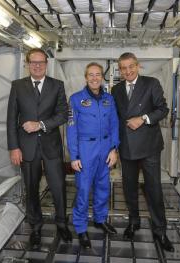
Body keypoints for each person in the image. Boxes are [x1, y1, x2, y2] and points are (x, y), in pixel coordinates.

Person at [7, 48, 72, 249]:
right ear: (27, 64)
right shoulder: (17, 86)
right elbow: (11, 119)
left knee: (58, 186)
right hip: (26, 147)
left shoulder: (57, 85)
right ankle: (35, 226)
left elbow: (63, 114)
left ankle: (62, 223)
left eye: (41, 62)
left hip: (51, 146)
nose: (37, 65)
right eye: (33, 62)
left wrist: (41, 124)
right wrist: (14, 147)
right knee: (31, 187)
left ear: (46, 64)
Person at [111, 52, 174, 252]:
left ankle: (160, 230)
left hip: (149, 146)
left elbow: (163, 109)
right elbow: (116, 117)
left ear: (138, 66)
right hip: (126, 146)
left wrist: (143, 118)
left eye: (131, 66)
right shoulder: (116, 89)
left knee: (153, 189)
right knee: (129, 187)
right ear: (119, 70)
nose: (128, 71)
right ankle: (134, 221)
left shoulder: (151, 83)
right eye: (123, 68)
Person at [66, 62, 120, 248]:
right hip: (85, 150)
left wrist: (114, 149)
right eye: (91, 75)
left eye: (98, 74)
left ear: (102, 77)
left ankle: (100, 219)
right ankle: (81, 228)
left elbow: (114, 125)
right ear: (86, 77)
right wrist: (74, 156)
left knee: (103, 188)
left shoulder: (109, 99)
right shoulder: (75, 99)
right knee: (83, 190)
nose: (95, 78)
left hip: (105, 149)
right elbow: (71, 130)